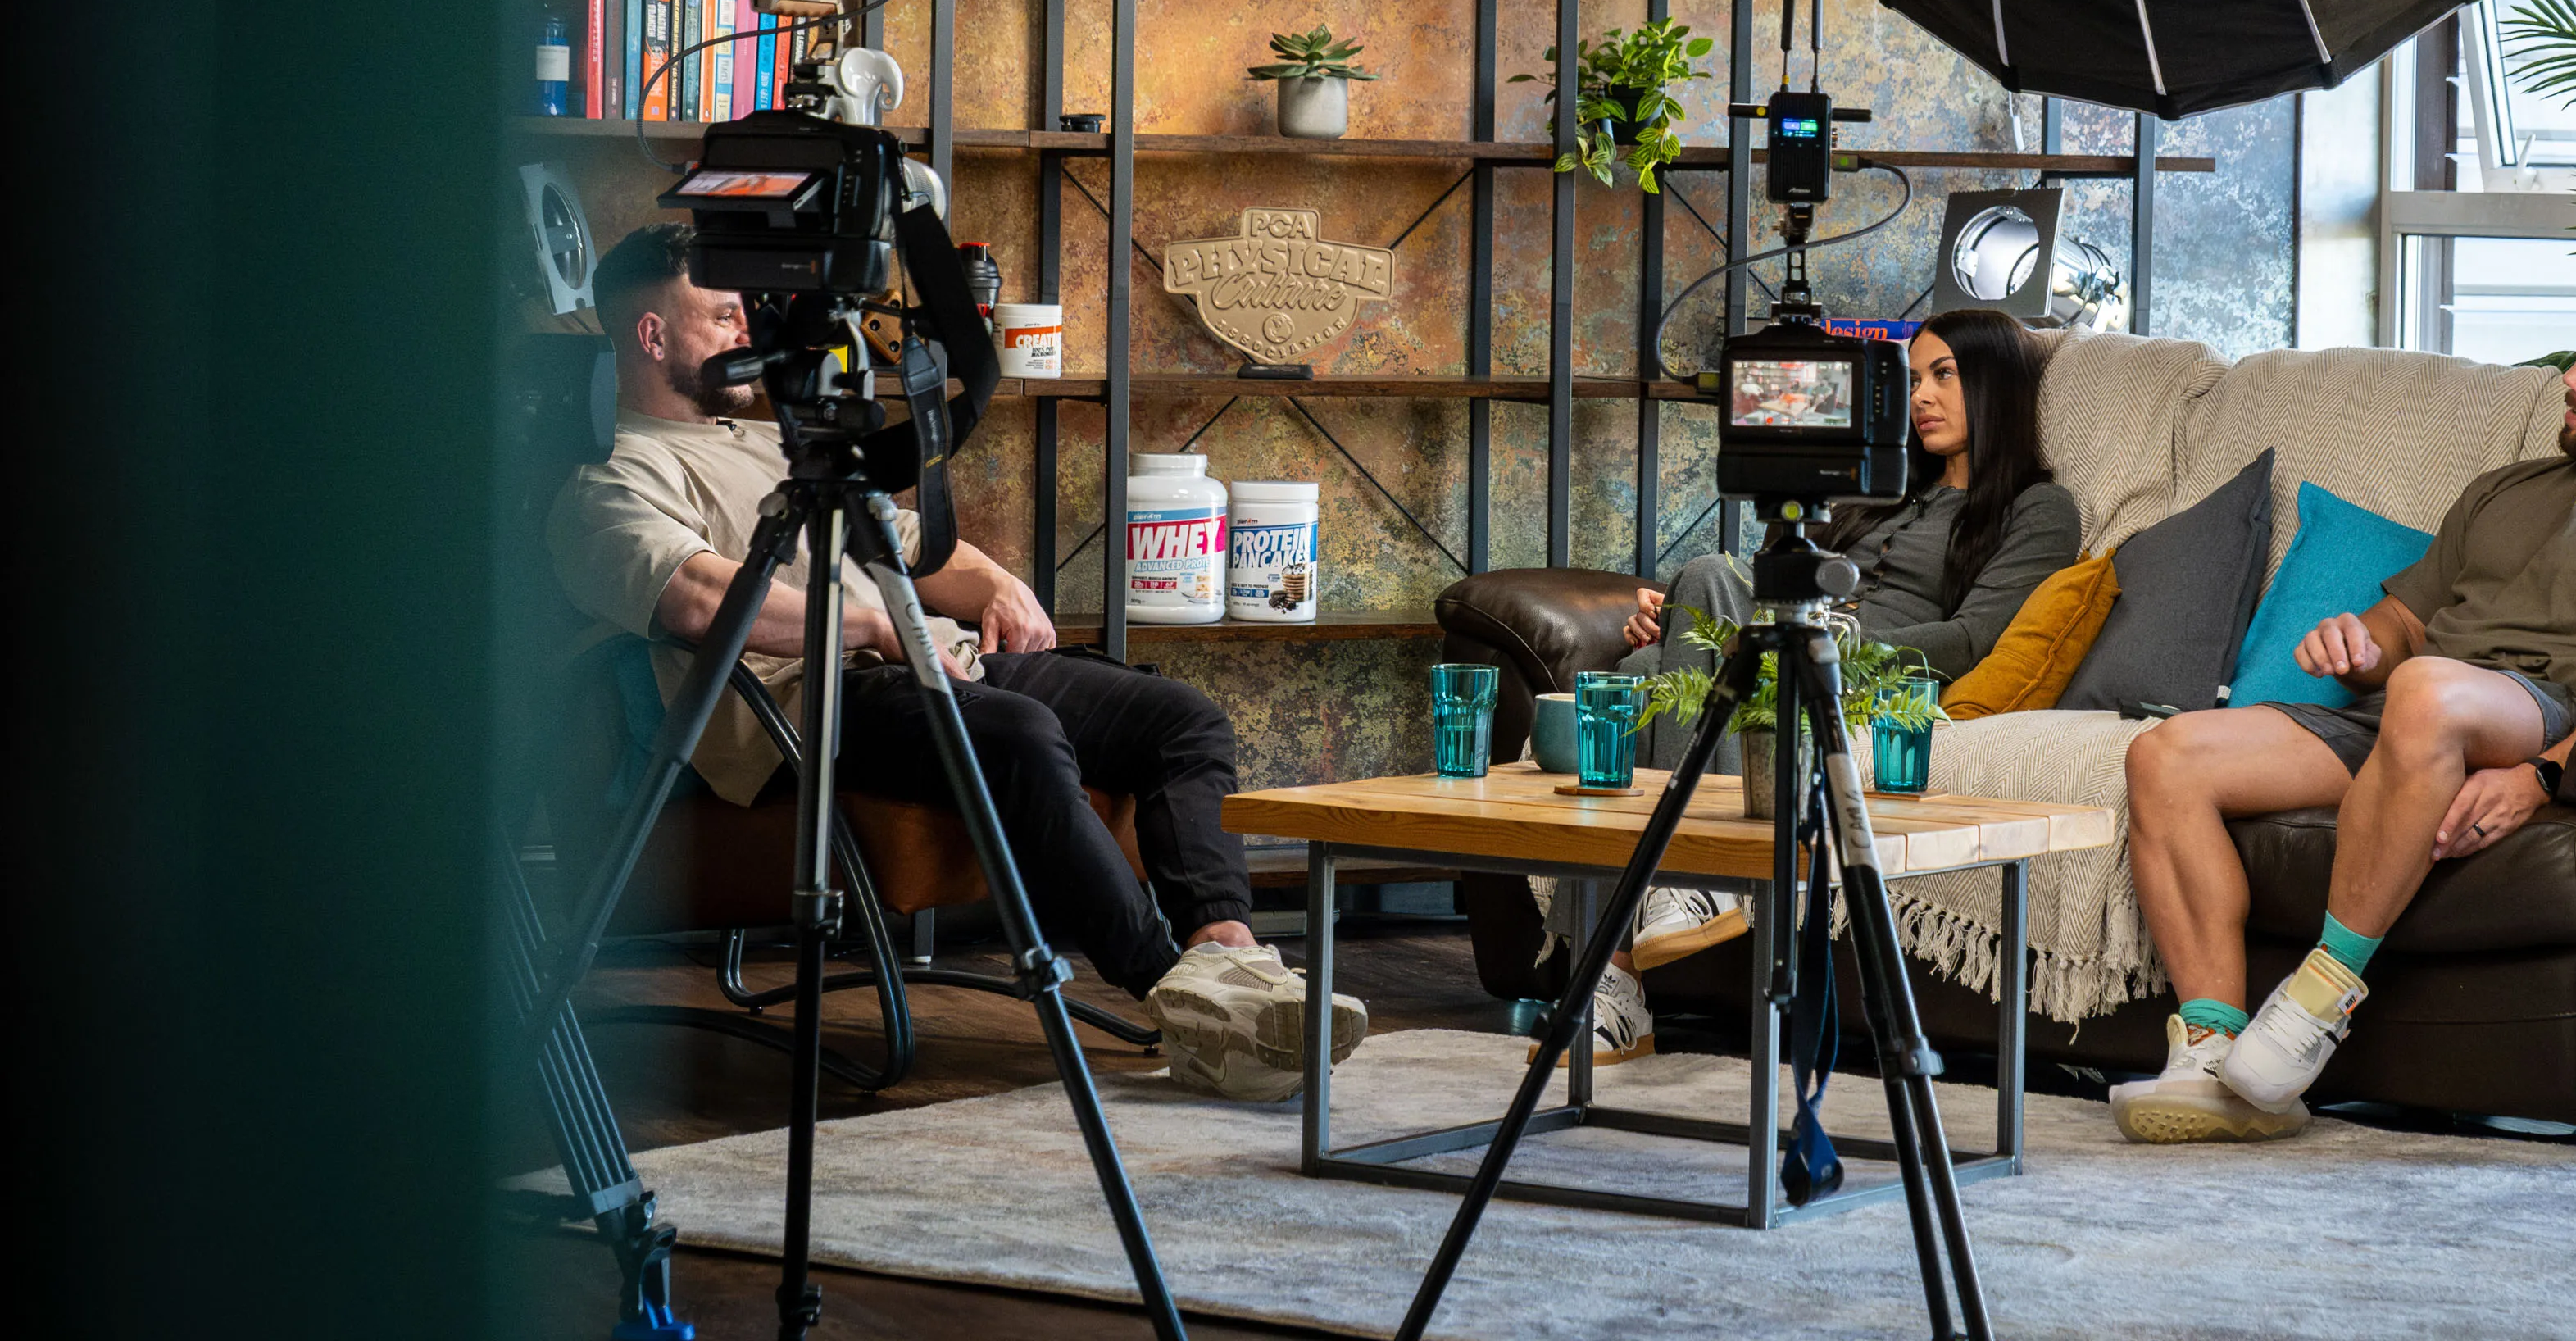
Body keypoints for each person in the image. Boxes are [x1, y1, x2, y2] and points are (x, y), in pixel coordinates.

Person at [547, 224, 1364, 1102]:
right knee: (1018, 730)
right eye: (721, 315)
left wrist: (999, 586)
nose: (750, 330)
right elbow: (703, 601)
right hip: (809, 704)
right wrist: (881, 630)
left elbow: (909, 540)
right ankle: (1179, 993)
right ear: (652, 336)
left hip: (934, 656)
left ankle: (1226, 956)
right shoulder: (609, 484)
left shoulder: (776, 444)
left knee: (1181, 719)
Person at [2111, 272, 2576, 1143]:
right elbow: (2404, 623)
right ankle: (2213, 1055)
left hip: (2543, 713)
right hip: (2407, 715)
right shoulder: (2510, 490)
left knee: (2428, 691)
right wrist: (2358, 644)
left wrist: (2544, 778)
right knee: (2166, 755)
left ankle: (2316, 1000)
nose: (2571, 379)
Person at [1555, 306, 2085, 1059]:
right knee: (1642, 669)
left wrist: (1831, 643)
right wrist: (1676, 620)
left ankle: (1669, 907)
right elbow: (1775, 580)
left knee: (1705, 580)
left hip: (1864, 676)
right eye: (1913, 380)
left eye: (1945, 376)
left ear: (1997, 387)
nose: (1922, 396)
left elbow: (1972, 641)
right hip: (1777, 647)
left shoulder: (2038, 509)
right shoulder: (1882, 489)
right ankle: (1621, 967)